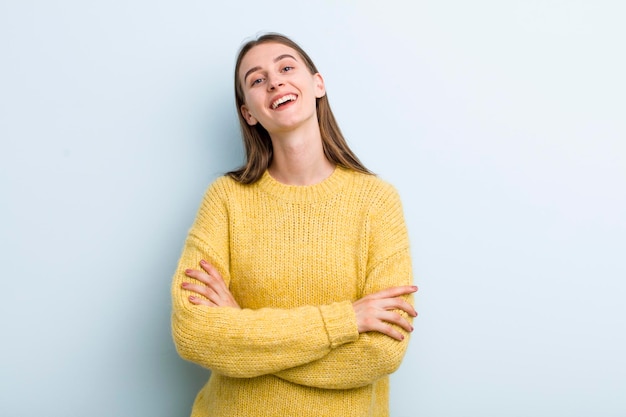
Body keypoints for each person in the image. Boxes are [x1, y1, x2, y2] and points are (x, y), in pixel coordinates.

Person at [171, 32, 417, 417]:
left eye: (286, 67)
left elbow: (382, 351)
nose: (275, 81)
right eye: (257, 79)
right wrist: (345, 321)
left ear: (317, 84)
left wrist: (242, 334)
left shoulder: (377, 202)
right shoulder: (226, 199)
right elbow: (193, 332)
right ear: (248, 112)